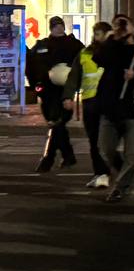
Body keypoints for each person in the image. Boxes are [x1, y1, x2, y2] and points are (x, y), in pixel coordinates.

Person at [93, 15, 134, 203]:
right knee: (105, 149)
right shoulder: (111, 47)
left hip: (133, 111)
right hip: (110, 109)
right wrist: (112, 38)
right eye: (117, 24)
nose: (121, 27)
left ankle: (121, 188)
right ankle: (124, 172)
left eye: (124, 23)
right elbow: (98, 58)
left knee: (131, 154)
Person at [25, 15, 83, 172]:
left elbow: (83, 65)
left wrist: (76, 84)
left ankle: (47, 159)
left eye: (60, 25)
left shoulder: (74, 45)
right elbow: (31, 65)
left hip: (65, 92)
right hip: (48, 93)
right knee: (56, 123)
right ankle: (68, 155)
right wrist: (36, 85)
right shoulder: (42, 45)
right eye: (55, 25)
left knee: (57, 122)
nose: (58, 28)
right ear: (51, 28)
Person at [60, 21, 111, 187]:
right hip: (90, 102)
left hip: (109, 102)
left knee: (107, 141)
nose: (97, 37)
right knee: (94, 140)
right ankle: (101, 173)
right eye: (96, 33)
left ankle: (109, 170)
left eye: (100, 34)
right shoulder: (84, 54)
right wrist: (68, 97)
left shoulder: (114, 52)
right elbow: (74, 77)